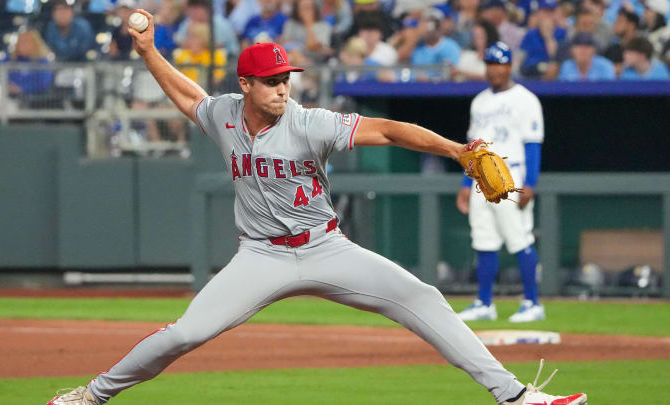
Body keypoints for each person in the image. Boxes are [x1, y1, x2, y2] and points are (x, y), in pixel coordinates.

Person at [45, 10, 588, 405]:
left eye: (287, 78)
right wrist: (148, 53)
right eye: (273, 81)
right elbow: (188, 96)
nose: (284, 88)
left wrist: (455, 149)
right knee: (185, 334)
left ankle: (517, 398)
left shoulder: (311, 122)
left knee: (421, 296)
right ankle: (90, 396)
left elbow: (389, 130)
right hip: (259, 256)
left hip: (326, 247)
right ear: (246, 84)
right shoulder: (225, 116)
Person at [455, 42, 546, 324]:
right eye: (490, 64)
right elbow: (471, 148)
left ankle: (532, 302)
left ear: (509, 66)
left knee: (519, 238)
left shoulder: (525, 99)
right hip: (480, 175)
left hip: (510, 174)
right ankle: (485, 303)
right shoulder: (479, 101)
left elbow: (533, 144)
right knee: (483, 240)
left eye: (499, 64)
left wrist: (530, 182)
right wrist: (465, 184)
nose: (494, 69)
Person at [174, 0, 240, 58]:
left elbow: (218, 45)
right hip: (197, 62)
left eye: (196, 8)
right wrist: (190, 33)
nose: (192, 12)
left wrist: (199, 39)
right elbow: (180, 42)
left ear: (206, 9)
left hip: (227, 61)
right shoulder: (188, 22)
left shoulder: (219, 23)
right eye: (191, 8)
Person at [518, 0, 566, 79]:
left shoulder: (562, 33)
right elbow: (521, 56)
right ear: (538, 13)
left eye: (551, 11)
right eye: (545, 11)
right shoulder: (530, 34)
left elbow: (555, 57)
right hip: (530, 74)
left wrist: (548, 36)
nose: (548, 15)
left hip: (554, 77)